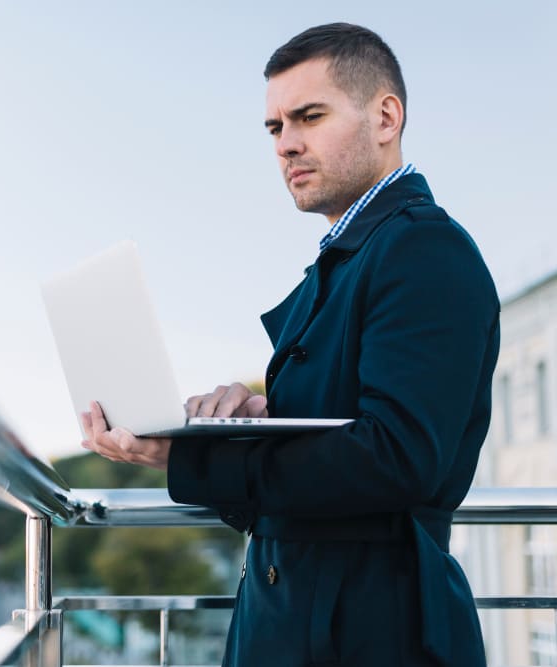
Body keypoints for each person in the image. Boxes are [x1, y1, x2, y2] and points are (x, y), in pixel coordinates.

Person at [80, 23, 499, 667]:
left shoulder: (423, 248)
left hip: (369, 634)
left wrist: (183, 459)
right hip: (305, 623)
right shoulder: (350, 259)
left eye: (309, 116)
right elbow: (319, 465)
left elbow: (395, 458)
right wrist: (239, 425)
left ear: (386, 117)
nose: (287, 144)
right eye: (275, 127)